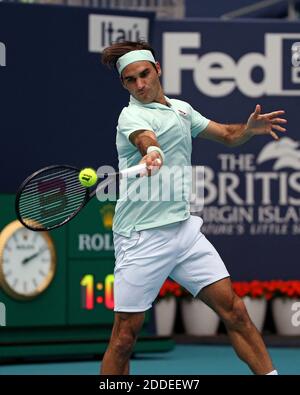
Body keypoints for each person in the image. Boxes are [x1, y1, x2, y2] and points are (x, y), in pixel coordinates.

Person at [100, 40, 287, 375]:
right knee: (124, 338)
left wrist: (249, 130)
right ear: (124, 84)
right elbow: (145, 139)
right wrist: (152, 151)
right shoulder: (131, 116)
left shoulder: (182, 110)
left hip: (183, 232)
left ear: (157, 69)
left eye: (145, 74)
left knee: (236, 312)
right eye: (131, 80)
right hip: (142, 238)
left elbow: (228, 135)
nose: (141, 84)